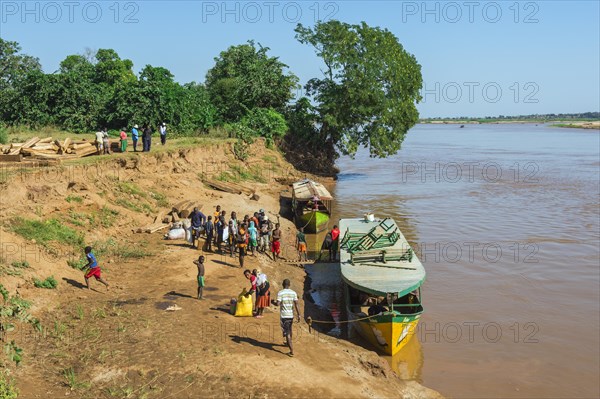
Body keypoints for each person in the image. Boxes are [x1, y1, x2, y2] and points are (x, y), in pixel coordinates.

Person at [273, 279, 301, 357]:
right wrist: (299, 315)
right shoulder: (293, 293)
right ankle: (288, 342)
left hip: (284, 316)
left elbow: (278, 304)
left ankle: (291, 350)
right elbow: (297, 304)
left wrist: (273, 302)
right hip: (291, 315)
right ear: (289, 284)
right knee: (290, 329)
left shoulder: (280, 293)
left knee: (287, 333)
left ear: (282, 284)